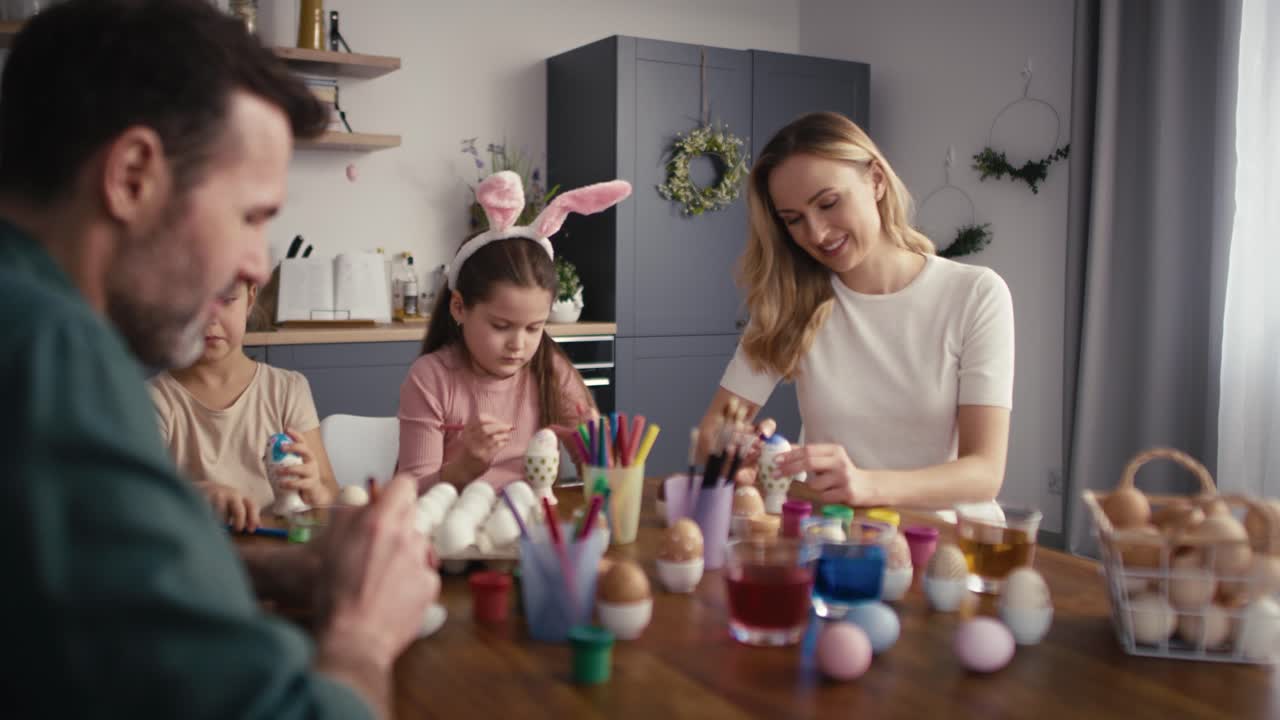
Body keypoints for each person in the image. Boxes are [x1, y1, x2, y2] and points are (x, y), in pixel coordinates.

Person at [0, 2, 437, 718]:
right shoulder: (53, 351)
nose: (257, 269)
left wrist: (278, 566)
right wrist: (363, 630)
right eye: (251, 217)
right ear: (133, 175)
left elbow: (94, 580)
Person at [701, 111, 1014, 511]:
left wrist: (866, 486)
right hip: (832, 534)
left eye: (828, 203)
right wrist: (737, 450)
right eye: (793, 220)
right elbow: (712, 435)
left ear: (877, 180)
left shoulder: (974, 294)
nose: (815, 234)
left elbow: (984, 473)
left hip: (944, 543)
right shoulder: (791, 302)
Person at [397, 171, 630, 490]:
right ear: (459, 307)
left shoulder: (551, 370)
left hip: (534, 528)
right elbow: (409, 493)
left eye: (535, 328)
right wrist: (467, 465)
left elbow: (602, 482)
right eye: (500, 326)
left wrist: (600, 454)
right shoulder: (431, 378)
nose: (518, 345)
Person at [150, 279, 338, 531]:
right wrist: (194, 497)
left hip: (278, 554)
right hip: (200, 557)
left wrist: (316, 493)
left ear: (250, 299)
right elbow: (136, 502)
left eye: (227, 300)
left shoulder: (287, 390)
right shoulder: (154, 400)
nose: (210, 319)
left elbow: (331, 498)